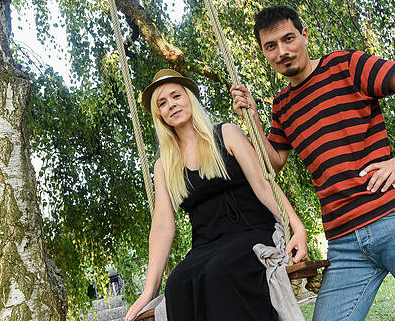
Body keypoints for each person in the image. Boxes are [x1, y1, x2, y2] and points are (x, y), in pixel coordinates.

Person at [230, 6, 395, 321]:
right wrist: (252, 122)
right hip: (344, 243)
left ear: (304, 35)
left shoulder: (344, 65)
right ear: (264, 53)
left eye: (288, 39)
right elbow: (271, 165)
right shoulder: (282, 106)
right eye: (271, 46)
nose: (283, 51)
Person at [124, 69, 308, 321]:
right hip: (206, 245)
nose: (171, 105)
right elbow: (162, 226)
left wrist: (296, 227)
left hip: (252, 231)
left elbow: (264, 184)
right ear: (159, 116)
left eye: (176, 96)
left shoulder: (227, 134)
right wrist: (148, 291)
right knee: (178, 281)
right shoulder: (164, 165)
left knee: (219, 271)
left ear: (189, 98)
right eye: (162, 104)